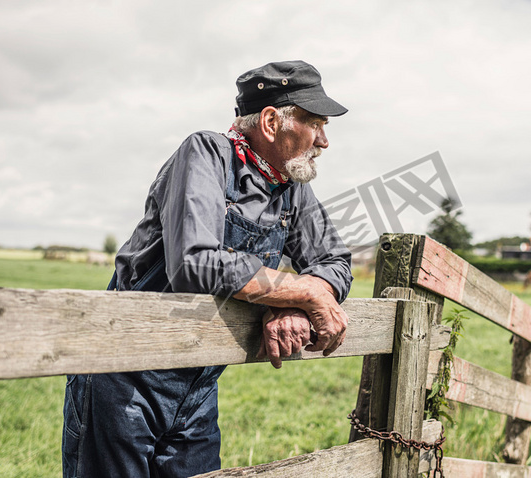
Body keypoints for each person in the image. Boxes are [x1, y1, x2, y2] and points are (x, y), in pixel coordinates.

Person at [62, 60, 353, 477]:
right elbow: (195, 263)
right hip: (124, 375)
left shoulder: (289, 189)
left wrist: (292, 304)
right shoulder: (205, 155)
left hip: (198, 385)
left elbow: (335, 262)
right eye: (316, 123)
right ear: (271, 121)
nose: (324, 140)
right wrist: (303, 292)